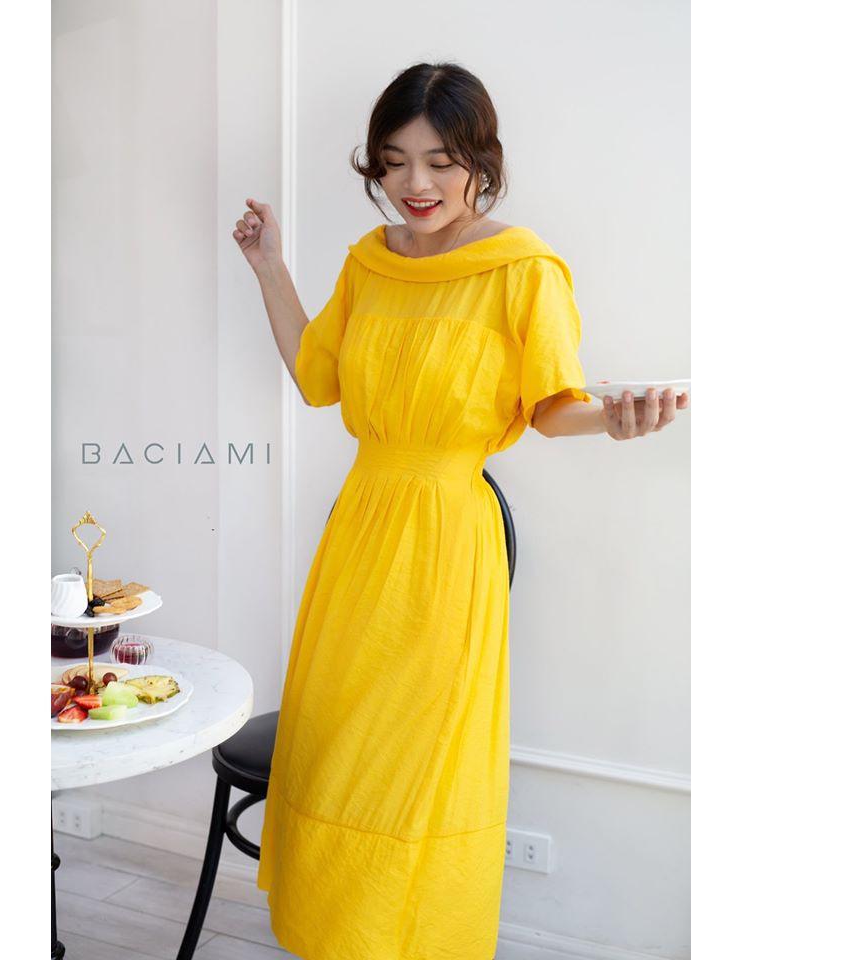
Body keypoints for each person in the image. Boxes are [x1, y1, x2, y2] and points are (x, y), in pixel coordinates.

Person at [233, 61, 688, 960]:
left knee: (411, 762)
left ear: (482, 159)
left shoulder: (524, 270)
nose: (415, 184)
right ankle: (330, 935)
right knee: (334, 746)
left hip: (447, 542)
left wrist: (616, 421)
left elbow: (552, 408)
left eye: (440, 162)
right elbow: (319, 380)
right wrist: (268, 266)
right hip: (359, 530)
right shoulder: (369, 261)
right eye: (394, 162)